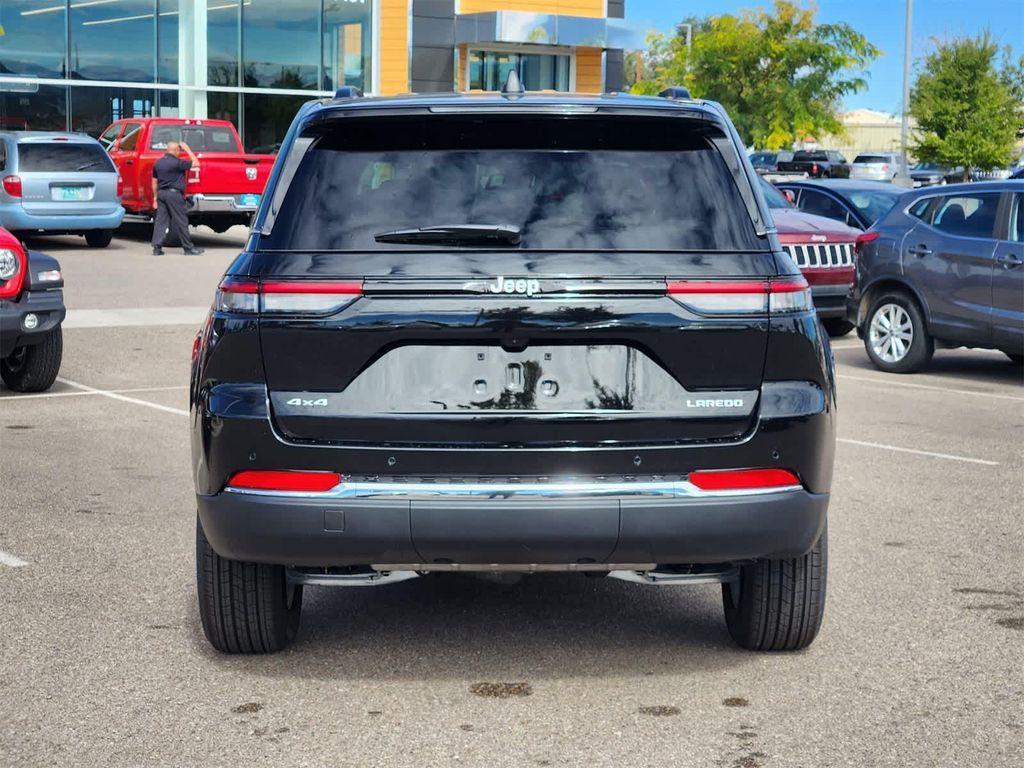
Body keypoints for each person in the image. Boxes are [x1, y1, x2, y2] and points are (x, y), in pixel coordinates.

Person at [151, 140, 204, 256]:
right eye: (179, 150)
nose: (180, 152)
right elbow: (196, 163)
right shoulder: (178, 163)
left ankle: (157, 248)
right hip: (174, 195)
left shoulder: (158, 163)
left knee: (161, 221)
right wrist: (188, 149)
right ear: (175, 150)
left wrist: (155, 197)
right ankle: (188, 249)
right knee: (182, 221)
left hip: (161, 194)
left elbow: (154, 182)